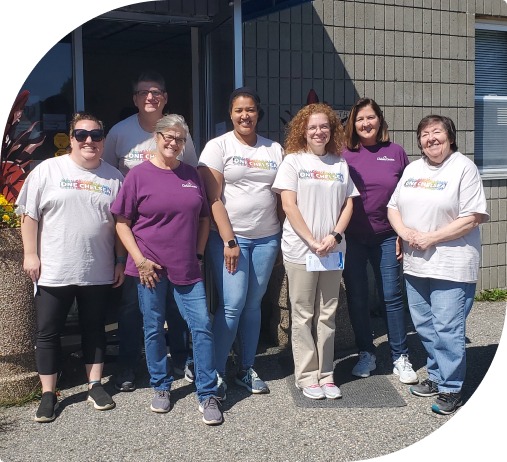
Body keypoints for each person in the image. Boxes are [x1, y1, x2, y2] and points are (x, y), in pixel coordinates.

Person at [111, 114, 223, 425]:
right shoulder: (138, 176)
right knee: (153, 327)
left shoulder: (191, 175)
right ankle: (161, 386)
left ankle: (207, 392)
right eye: (167, 137)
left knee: (201, 326)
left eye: (179, 139)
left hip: (187, 267)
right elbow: (122, 223)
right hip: (148, 268)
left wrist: (198, 253)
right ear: (157, 139)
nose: (173, 143)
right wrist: (139, 259)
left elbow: (203, 218)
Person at [16, 112, 125, 422]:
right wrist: (30, 254)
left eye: (95, 135)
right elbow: (29, 215)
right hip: (54, 269)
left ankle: (94, 385)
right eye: (81, 135)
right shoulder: (47, 170)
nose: (89, 140)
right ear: (71, 138)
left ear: (103, 140)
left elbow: (120, 225)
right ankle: (49, 394)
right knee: (48, 332)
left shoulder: (114, 177)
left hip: (98, 269)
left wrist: (120, 261)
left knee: (95, 329)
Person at [387, 115, 488, 415]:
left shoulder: (463, 168)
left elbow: (472, 217)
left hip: (451, 263)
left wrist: (431, 238)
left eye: (437, 133)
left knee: (448, 327)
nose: (431, 138)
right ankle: (436, 375)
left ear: (450, 138)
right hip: (416, 263)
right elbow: (394, 207)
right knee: (425, 325)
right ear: (419, 140)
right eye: (425, 134)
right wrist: (405, 234)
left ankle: (451, 388)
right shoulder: (413, 169)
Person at [103, 70, 197, 392]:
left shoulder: (180, 133)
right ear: (135, 99)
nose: (150, 97)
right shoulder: (119, 132)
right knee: (132, 309)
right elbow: (106, 174)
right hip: (137, 238)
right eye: (144, 92)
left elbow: (193, 178)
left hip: (176, 241)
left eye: (156, 92)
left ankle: (181, 359)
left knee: (175, 308)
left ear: (165, 98)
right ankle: (128, 365)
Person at [198, 87, 283, 398]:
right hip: (230, 240)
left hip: (267, 238)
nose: (245, 115)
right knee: (231, 307)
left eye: (250, 110)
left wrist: (280, 239)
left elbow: (281, 198)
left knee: (252, 306)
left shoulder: (274, 149)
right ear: (230, 114)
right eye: (239, 110)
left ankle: (245, 368)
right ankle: (215, 373)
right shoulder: (217, 147)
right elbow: (213, 198)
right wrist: (229, 239)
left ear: (258, 113)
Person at [272, 103, 359, 400]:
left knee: (328, 314)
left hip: (333, 250)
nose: (318, 132)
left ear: (332, 130)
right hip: (302, 250)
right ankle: (307, 376)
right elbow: (288, 205)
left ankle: (327, 374)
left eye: (324, 126)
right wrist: (311, 240)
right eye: (312, 127)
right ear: (303, 131)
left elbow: (349, 203)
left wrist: (334, 235)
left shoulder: (339, 163)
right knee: (303, 313)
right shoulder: (293, 162)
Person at [341, 97, 418, 384]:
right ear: (353, 123)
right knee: (358, 297)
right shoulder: (343, 154)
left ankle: (400, 356)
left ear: (379, 120)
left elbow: (407, 197)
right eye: (360, 118)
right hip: (352, 239)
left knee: (391, 296)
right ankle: (366, 353)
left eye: (370, 117)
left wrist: (402, 233)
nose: (365, 123)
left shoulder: (395, 152)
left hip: (387, 236)